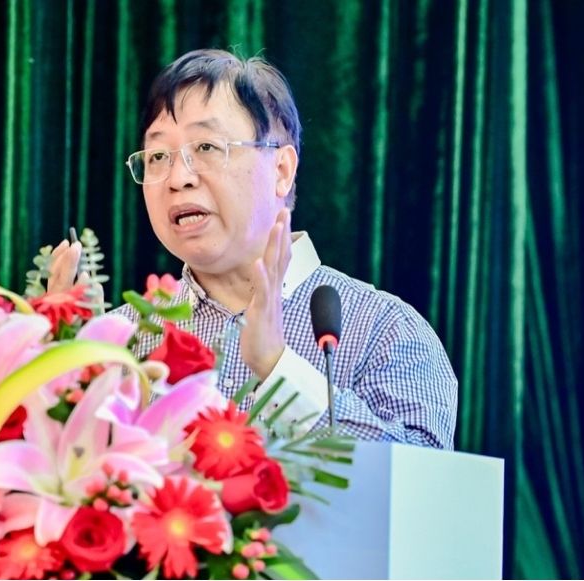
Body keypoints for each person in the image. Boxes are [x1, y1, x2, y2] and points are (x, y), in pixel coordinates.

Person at [49, 49, 457, 449]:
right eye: (157, 156)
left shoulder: (384, 329)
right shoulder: (120, 340)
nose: (176, 178)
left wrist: (278, 366)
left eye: (206, 148)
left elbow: (420, 481)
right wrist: (62, 376)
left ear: (281, 170)